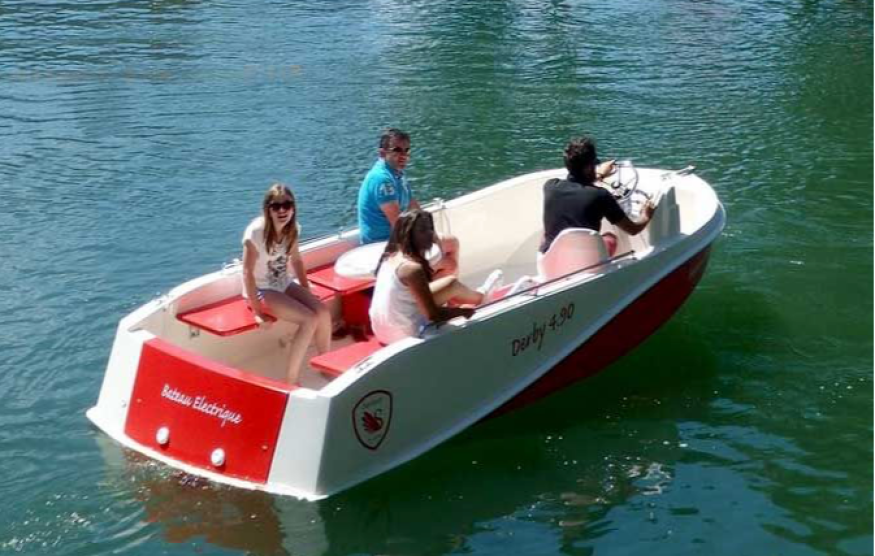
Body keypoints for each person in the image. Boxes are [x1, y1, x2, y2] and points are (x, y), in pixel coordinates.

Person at [242, 184, 332, 385]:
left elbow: (297, 260)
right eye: (276, 206)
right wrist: (257, 312)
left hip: (283, 283)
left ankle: (326, 366)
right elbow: (247, 272)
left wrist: (306, 290)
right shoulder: (256, 232)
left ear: (293, 207)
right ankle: (291, 380)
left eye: (287, 205)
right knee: (309, 320)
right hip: (261, 289)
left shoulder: (293, 229)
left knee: (323, 312)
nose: (282, 210)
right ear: (268, 209)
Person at [369, 210, 497, 344]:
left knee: (451, 284)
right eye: (423, 230)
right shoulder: (411, 268)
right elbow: (433, 315)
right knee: (451, 295)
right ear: (408, 234)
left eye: (430, 228)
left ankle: (481, 296)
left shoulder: (390, 255)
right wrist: (462, 312)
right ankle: (482, 298)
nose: (430, 234)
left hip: (381, 331)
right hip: (404, 336)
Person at [357, 127, 459, 276]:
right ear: (382, 153)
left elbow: (413, 206)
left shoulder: (397, 173)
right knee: (449, 264)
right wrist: (425, 245)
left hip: (395, 238)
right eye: (397, 150)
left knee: (451, 243)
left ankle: (433, 286)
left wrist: (431, 233)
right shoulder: (382, 180)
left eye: (406, 150)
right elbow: (398, 224)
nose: (403, 155)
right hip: (383, 245)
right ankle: (430, 288)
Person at [540, 136, 655, 257]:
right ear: (588, 167)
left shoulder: (550, 186)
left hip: (550, 259)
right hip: (586, 262)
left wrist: (599, 175)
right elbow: (633, 230)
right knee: (609, 238)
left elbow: (580, 188)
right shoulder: (601, 196)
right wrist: (646, 215)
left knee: (547, 232)